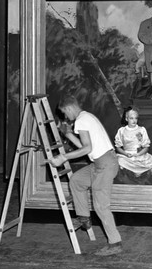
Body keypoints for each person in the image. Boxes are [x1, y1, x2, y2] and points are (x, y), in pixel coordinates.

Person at [47, 95, 123, 256]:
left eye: (65, 114)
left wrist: (63, 157)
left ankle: (115, 243)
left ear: (68, 108)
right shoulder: (86, 116)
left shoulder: (82, 120)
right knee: (76, 180)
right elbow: (85, 146)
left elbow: (86, 149)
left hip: (105, 165)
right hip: (99, 163)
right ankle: (84, 218)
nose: (66, 117)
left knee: (101, 206)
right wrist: (68, 134)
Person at [115, 106, 152, 176]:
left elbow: (146, 147)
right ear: (126, 119)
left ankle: (143, 170)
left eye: (136, 118)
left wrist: (138, 154)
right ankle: (136, 171)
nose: (134, 120)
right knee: (119, 161)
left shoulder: (141, 130)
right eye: (131, 118)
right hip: (127, 156)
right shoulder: (121, 131)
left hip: (140, 155)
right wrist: (126, 154)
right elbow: (118, 147)